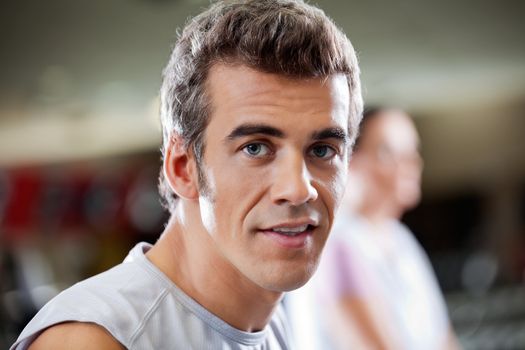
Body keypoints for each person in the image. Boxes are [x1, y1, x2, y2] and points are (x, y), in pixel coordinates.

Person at [11, 1, 363, 349]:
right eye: (255, 148)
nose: (299, 189)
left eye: (323, 150)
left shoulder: (272, 322)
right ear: (183, 168)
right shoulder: (91, 341)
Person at [312, 107, 460, 350]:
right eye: (389, 152)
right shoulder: (342, 243)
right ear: (353, 161)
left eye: (413, 151)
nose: (410, 163)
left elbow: (444, 339)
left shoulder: (402, 239)